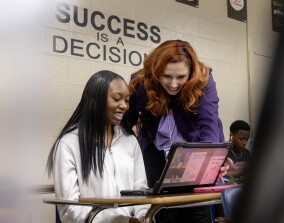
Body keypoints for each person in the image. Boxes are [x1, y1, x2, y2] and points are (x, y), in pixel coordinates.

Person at [121, 39, 226, 223]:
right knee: (163, 213)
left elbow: (209, 122)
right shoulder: (141, 81)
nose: (174, 84)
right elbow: (125, 121)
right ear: (156, 71)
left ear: (190, 73)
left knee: (196, 212)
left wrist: (211, 161)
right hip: (155, 153)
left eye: (181, 77)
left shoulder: (203, 79)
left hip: (193, 154)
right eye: (167, 76)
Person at [46, 70, 148, 223]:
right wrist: (122, 221)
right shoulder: (69, 144)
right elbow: (69, 209)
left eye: (127, 100)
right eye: (117, 98)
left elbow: (141, 191)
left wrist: (143, 217)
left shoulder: (130, 141)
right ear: (95, 100)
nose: (124, 106)